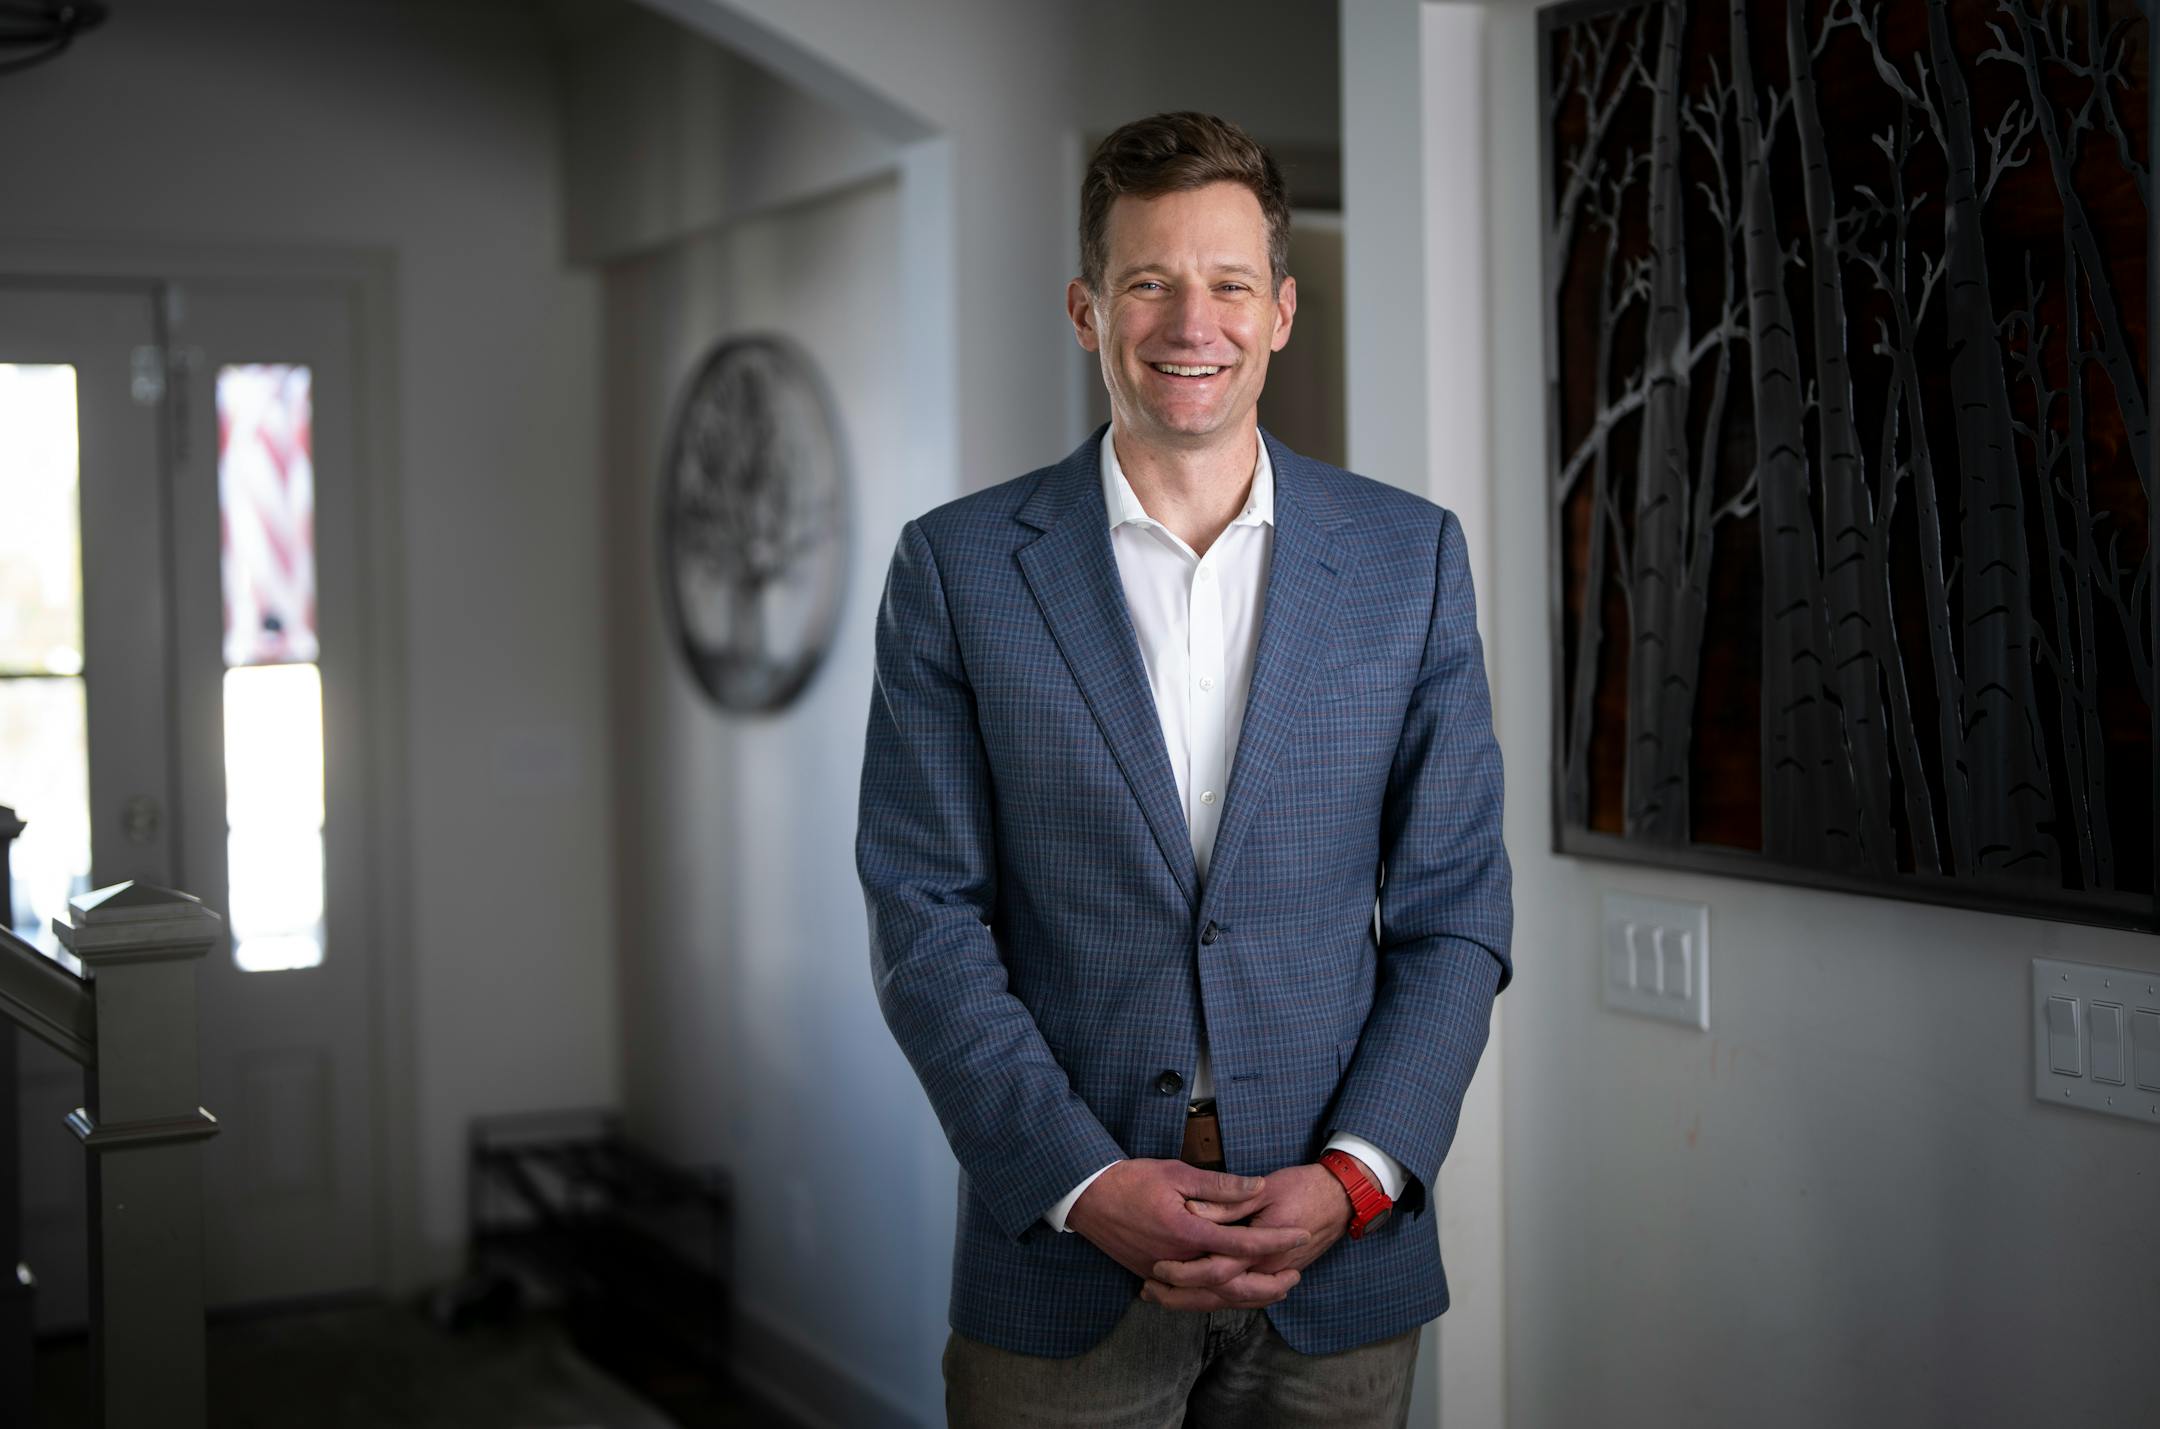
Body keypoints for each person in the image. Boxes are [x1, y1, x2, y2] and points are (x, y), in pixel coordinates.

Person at [856, 110, 1512, 1428]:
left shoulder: (1410, 560)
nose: (1187, 319)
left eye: (1225, 284)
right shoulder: (959, 568)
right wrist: (1083, 1182)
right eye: (1149, 280)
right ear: (1087, 307)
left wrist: (1353, 1177)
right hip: (1061, 1258)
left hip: (1336, 1267)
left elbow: (1454, 915)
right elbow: (926, 922)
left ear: (1278, 310)